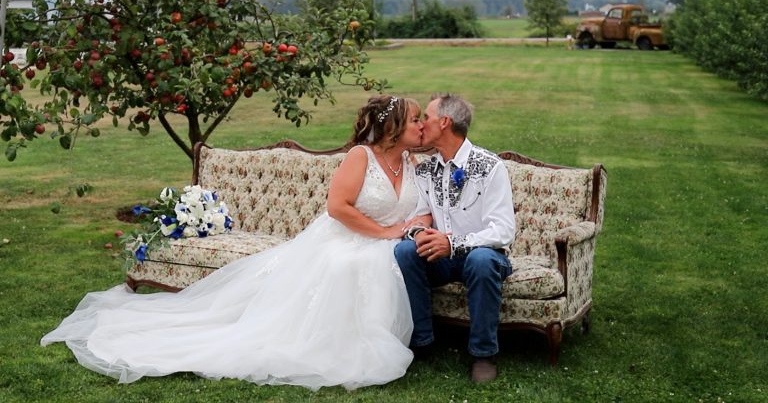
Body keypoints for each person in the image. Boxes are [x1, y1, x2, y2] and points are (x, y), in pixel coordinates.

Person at [41, 95, 425, 391]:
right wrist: (386, 233)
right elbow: (337, 207)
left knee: (382, 264)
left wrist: (412, 225)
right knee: (349, 266)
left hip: (389, 242)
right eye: (414, 119)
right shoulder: (361, 157)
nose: (421, 124)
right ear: (392, 127)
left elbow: (426, 205)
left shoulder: (410, 161)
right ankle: (343, 343)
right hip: (348, 238)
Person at [394, 93, 516, 383]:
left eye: (427, 117)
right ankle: (422, 342)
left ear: (445, 122)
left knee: (482, 259)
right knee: (406, 252)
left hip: (485, 257)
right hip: (442, 260)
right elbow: (419, 216)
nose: (422, 124)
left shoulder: (489, 166)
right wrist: (422, 234)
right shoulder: (425, 170)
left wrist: (453, 243)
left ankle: (483, 354)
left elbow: (503, 230)